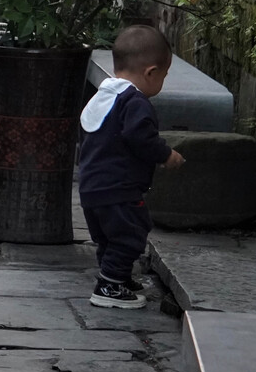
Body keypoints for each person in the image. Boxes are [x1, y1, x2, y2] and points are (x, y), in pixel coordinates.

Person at [78, 25, 185, 309]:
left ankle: (117, 277)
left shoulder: (104, 95)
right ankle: (109, 286)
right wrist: (166, 155)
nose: (162, 82)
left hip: (92, 188)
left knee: (109, 238)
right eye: (164, 75)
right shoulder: (135, 102)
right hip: (119, 189)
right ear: (151, 72)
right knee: (131, 234)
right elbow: (140, 137)